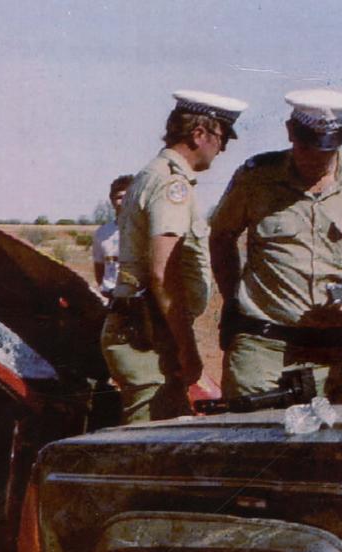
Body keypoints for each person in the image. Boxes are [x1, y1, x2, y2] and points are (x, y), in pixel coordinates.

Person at [210, 89, 342, 403]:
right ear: (291, 131)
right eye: (306, 146)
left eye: (326, 150)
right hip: (264, 347)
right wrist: (233, 298)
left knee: (334, 450)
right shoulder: (256, 179)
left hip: (340, 351)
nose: (315, 159)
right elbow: (222, 237)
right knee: (252, 444)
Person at [103, 90, 246, 423]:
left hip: (144, 328)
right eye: (221, 139)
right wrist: (187, 348)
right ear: (199, 134)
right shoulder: (172, 185)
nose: (221, 150)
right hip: (147, 334)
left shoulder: (151, 174)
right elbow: (163, 274)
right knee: (148, 445)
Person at [91, 175, 134, 297]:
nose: (123, 201)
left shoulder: (142, 231)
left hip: (136, 295)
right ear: (112, 201)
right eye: (119, 197)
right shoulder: (102, 233)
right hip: (111, 293)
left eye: (127, 197)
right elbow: (99, 267)